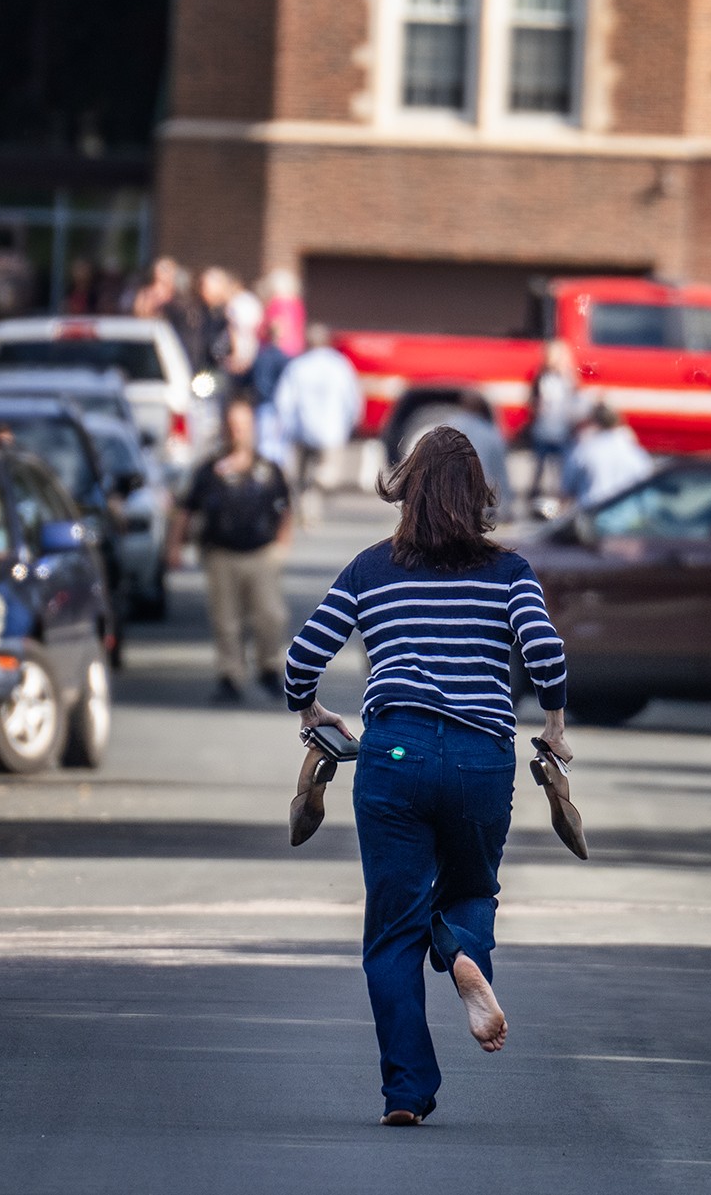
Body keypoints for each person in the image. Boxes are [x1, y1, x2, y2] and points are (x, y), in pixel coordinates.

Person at [283, 427, 569, 1127]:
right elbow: (545, 650)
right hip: (479, 756)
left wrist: (311, 708)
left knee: (392, 931)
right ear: (477, 497)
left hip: (396, 755)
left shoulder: (370, 568)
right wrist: (556, 723)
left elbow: (301, 657)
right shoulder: (509, 571)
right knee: (472, 885)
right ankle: (465, 953)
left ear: (405, 490)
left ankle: (406, 1090)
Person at [168, 400, 297, 703]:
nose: (238, 432)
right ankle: (230, 676)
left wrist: (282, 544)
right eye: (232, 426)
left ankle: (269, 668)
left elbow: (286, 509)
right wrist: (174, 545)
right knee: (226, 620)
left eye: (243, 426)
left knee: (270, 615)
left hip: (261, 553)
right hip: (221, 554)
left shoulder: (267, 469)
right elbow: (185, 510)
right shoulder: (209, 471)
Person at [272, 323, 363, 514]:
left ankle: (307, 510)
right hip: (332, 429)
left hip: (303, 429)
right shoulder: (339, 365)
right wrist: (353, 420)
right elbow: (352, 397)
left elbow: (284, 401)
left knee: (301, 478)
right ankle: (313, 503)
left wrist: (284, 426)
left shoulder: (298, 365)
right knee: (328, 473)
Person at [523, 339, 582, 512]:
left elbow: (574, 402)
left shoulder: (569, 378)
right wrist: (535, 407)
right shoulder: (541, 376)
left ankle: (561, 498)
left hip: (562, 429)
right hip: (543, 428)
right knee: (539, 466)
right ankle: (534, 497)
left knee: (561, 468)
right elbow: (532, 399)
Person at [562, 402, 653, 508]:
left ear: (594, 423)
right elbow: (646, 490)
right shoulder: (635, 453)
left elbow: (567, 488)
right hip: (627, 517)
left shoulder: (584, 450)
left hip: (591, 515)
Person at [259, 267, 307, 356]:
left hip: (279, 350)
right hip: (296, 348)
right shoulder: (297, 303)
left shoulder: (276, 303)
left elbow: (277, 327)